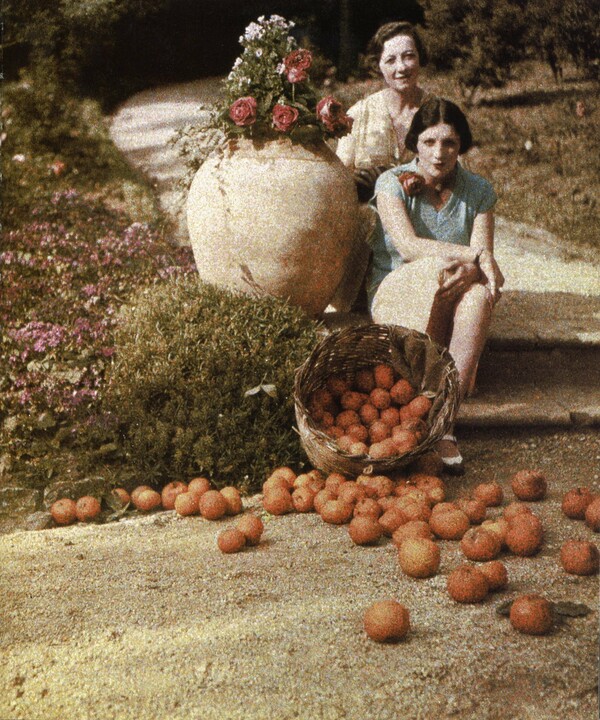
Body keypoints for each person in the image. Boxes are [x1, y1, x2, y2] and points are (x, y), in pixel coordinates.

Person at [367, 97, 504, 472]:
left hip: (455, 286)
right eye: (429, 142)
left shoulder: (478, 191)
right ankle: (419, 406)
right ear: (415, 143)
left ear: (461, 146)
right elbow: (410, 248)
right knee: (436, 273)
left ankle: (444, 421)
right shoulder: (391, 183)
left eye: (449, 143)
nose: (439, 153)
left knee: (477, 296)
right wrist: (472, 257)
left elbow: (484, 263)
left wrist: (476, 267)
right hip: (399, 288)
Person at [331, 21, 431, 311]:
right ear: (378, 65)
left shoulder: (438, 112)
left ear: (420, 58)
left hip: (422, 229)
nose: (401, 67)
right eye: (391, 59)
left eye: (409, 56)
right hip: (369, 238)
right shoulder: (358, 115)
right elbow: (339, 181)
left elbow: (454, 173)